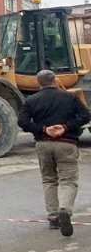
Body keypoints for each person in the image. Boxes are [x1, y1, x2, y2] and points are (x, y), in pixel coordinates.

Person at [18, 70, 90, 236]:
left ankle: (53, 217)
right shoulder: (70, 97)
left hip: (43, 144)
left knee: (49, 180)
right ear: (55, 81)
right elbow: (86, 116)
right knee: (68, 180)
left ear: (38, 83)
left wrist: (43, 129)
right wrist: (65, 127)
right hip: (66, 143)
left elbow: (22, 122)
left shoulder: (31, 100)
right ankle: (65, 209)